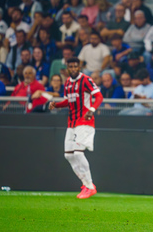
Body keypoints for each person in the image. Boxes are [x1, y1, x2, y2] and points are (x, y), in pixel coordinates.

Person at [49, 57, 103, 199]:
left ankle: (90, 186)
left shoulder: (86, 80)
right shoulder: (67, 82)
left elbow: (99, 96)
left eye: (75, 66)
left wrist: (91, 109)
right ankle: (86, 184)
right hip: (71, 123)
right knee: (68, 155)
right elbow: (68, 100)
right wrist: (57, 105)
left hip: (84, 121)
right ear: (67, 68)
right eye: (70, 66)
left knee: (78, 153)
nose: (73, 69)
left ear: (79, 67)